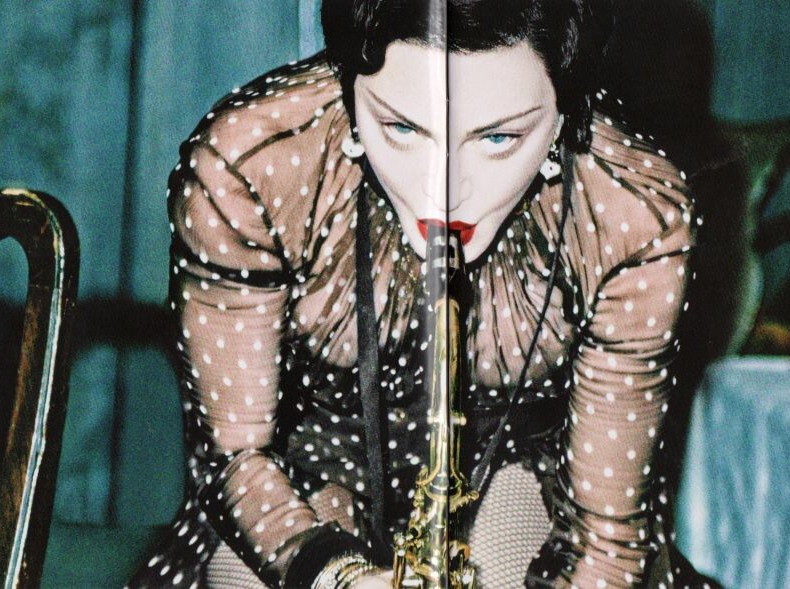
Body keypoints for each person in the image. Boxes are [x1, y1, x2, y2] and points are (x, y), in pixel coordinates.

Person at [128, 1, 714, 587]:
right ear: (350, 91)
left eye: (499, 137)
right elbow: (233, 458)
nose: (445, 191)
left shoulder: (636, 213)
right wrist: (337, 577)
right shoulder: (253, 162)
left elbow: (605, 541)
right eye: (403, 129)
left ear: (564, 114)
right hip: (295, 490)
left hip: (523, 486)